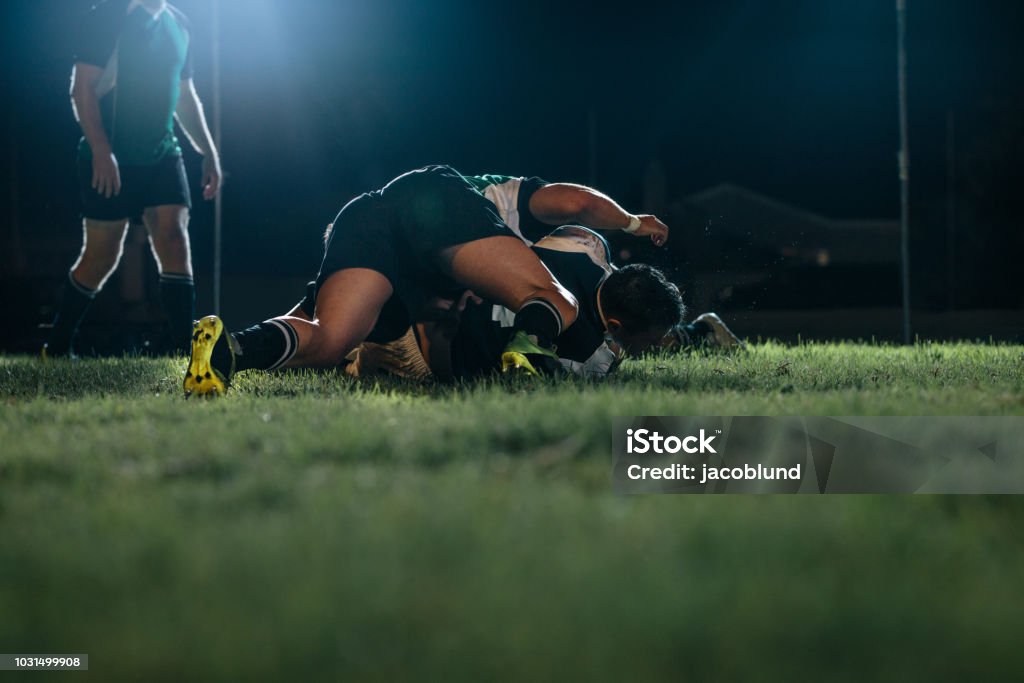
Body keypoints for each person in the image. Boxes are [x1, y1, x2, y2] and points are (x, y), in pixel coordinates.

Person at [183, 165, 669, 396]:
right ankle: (527, 351)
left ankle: (234, 349)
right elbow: (576, 205)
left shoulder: (558, 239)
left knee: (329, 339)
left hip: (366, 216)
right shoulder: (509, 205)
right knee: (553, 300)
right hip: (437, 207)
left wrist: (630, 221)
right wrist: (630, 222)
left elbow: (579, 209)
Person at [44, 0, 222, 358]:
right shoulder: (106, 18)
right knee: (101, 257)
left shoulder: (180, 24)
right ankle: (58, 345)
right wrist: (100, 150)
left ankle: (182, 353)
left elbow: (184, 95)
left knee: (174, 237)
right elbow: (82, 89)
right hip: (110, 157)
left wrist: (208, 152)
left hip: (162, 154)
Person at [345, 227, 737, 383]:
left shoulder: (586, 246)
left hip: (419, 289)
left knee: (327, 329)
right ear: (613, 325)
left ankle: (698, 331)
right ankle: (700, 332)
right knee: (339, 356)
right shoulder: (593, 358)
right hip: (425, 343)